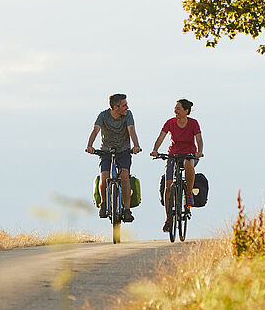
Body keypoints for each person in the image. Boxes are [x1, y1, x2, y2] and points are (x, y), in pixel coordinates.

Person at [85, 93, 142, 222]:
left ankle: (127, 210)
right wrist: (89, 145)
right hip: (106, 151)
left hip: (124, 151)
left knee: (125, 176)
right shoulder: (103, 115)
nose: (127, 107)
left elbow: (131, 130)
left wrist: (136, 146)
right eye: (124, 105)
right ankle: (104, 204)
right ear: (115, 107)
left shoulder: (128, 115)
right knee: (104, 176)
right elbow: (95, 130)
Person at [150, 98, 204, 232]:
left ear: (186, 111)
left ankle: (189, 194)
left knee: (188, 164)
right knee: (168, 186)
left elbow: (199, 139)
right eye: (175, 108)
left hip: (189, 155)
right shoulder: (170, 122)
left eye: (178, 108)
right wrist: (155, 150)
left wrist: (199, 151)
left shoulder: (193, 123)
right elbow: (161, 137)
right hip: (173, 155)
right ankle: (169, 219)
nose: (175, 111)